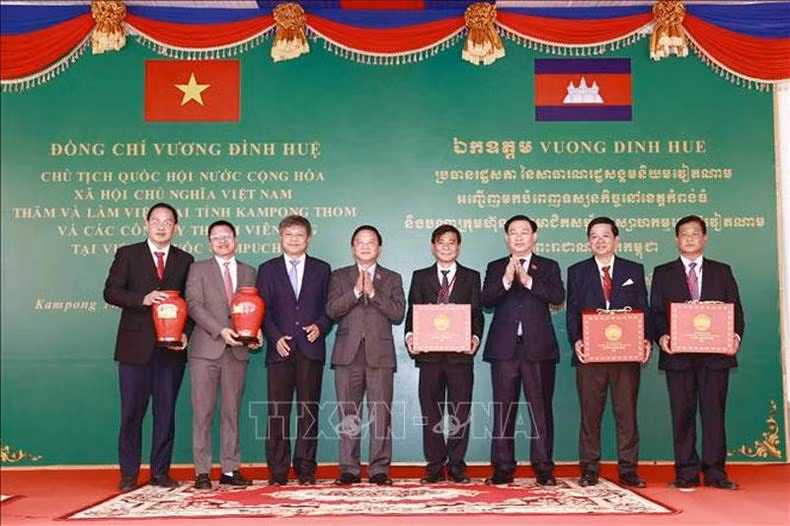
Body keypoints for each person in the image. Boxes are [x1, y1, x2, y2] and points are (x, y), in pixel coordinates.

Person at [103, 202, 194, 492]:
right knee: (132, 413)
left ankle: (160, 472)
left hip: (171, 351)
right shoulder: (128, 254)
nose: (161, 225)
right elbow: (111, 291)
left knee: (165, 414)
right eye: (156, 220)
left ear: (176, 227)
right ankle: (129, 474)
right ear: (146, 223)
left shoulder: (185, 259)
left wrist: (186, 334)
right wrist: (142, 298)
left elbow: (191, 306)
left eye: (168, 221)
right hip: (134, 348)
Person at [650, 215, 744, 490]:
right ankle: (686, 472)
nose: (689, 238)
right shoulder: (663, 272)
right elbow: (656, 312)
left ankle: (716, 472)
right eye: (684, 234)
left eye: (695, 233)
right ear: (676, 239)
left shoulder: (722, 271)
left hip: (715, 356)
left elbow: (735, 309)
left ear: (705, 238)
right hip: (678, 356)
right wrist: (662, 335)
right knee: (682, 414)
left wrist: (734, 337)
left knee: (714, 413)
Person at [565, 217, 651, 488]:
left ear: (616, 239)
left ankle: (628, 470)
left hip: (625, 355)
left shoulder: (633, 269)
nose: (599, 240)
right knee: (590, 414)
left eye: (605, 235)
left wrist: (645, 339)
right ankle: (589, 469)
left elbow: (643, 308)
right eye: (594, 236)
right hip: (591, 354)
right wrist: (576, 340)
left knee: (626, 413)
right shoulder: (577, 271)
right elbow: (572, 312)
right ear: (588, 241)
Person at [481, 214, 565, 486]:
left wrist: (528, 280)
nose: (518, 237)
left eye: (524, 232)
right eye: (513, 232)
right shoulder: (495, 267)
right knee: (503, 411)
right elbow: (486, 300)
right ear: (506, 238)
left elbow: (557, 296)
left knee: (541, 411)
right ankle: (503, 468)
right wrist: (506, 280)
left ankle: (543, 468)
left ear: (534, 236)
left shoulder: (548, 266)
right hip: (504, 350)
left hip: (538, 350)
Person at [256, 215, 332, 486]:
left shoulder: (322, 269)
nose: (294, 239)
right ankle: (277, 470)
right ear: (280, 238)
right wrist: (274, 337)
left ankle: (306, 469)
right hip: (280, 350)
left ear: (308, 239)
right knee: (278, 412)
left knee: (308, 411)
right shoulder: (267, 269)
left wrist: (321, 326)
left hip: (311, 349)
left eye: (300, 235)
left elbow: (330, 308)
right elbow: (261, 309)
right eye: (289, 235)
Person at [404, 224, 483, 484]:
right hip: (429, 358)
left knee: (460, 413)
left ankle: (457, 465)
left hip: (460, 357)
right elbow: (411, 314)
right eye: (441, 242)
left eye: (451, 242)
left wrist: (474, 337)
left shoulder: (472, 276)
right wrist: (410, 337)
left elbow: (477, 315)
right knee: (432, 414)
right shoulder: (420, 276)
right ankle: (435, 465)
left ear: (458, 247)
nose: (446, 247)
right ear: (433, 246)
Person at [327, 225, 405, 486]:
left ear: (379, 248)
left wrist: (373, 292)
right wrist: (356, 293)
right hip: (347, 356)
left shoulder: (392, 278)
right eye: (359, 242)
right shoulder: (339, 277)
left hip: (380, 355)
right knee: (348, 414)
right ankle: (349, 469)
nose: (365, 246)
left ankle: (379, 470)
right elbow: (332, 310)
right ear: (352, 247)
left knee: (381, 414)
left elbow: (397, 314)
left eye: (370, 242)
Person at [186, 220, 261, 490]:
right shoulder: (197, 269)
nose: (222, 241)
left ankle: (230, 469)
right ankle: (202, 472)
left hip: (237, 352)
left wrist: (256, 332)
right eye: (216, 237)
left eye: (226, 236)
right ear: (209, 243)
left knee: (231, 413)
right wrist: (220, 330)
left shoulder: (249, 272)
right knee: (203, 413)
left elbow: (253, 309)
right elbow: (193, 305)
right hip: (205, 351)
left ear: (236, 239)